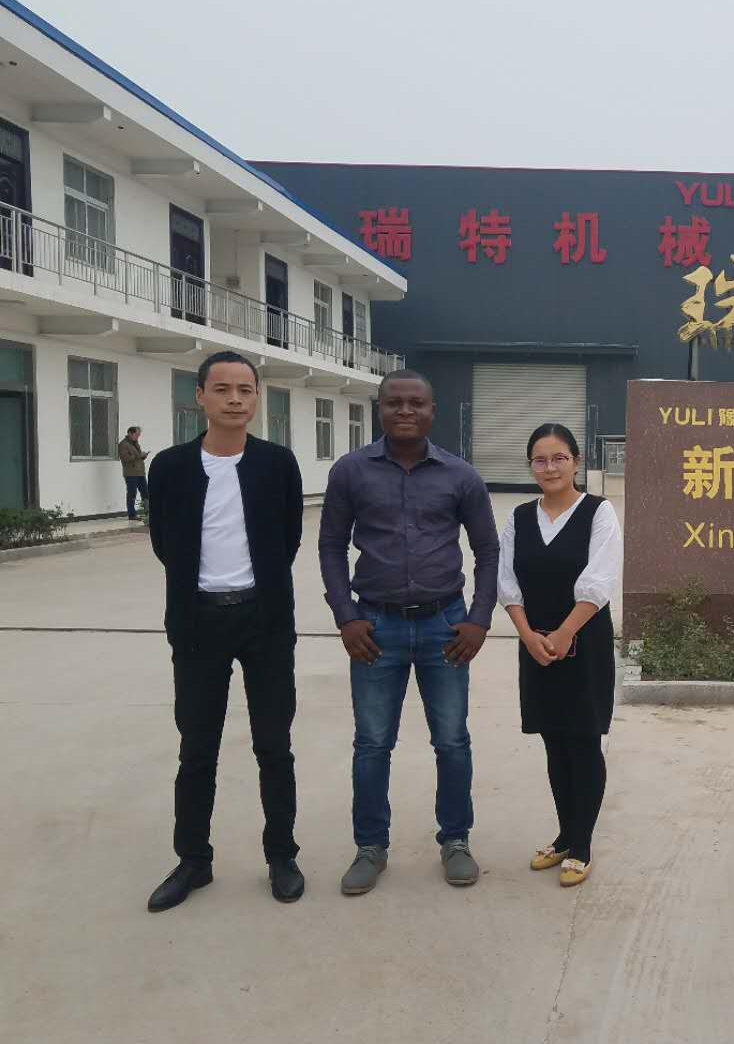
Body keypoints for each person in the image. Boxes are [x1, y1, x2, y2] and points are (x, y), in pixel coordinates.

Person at [319, 369, 499, 895]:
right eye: (393, 402)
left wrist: (478, 618)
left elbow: (487, 550)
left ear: (431, 410)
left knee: (452, 740)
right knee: (373, 743)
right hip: (375, 628)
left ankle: (456, 841)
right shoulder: (351, 472)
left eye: (415, 403)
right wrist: (346, 616)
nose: (404, 411)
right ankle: (370, 847)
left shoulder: (461, 476)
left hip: (446, 626)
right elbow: (331, 546)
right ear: (379, 409)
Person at [144, 351, 305, 912]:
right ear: (200, 397)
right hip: (197, 622)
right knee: (197, 748)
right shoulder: (170, 467)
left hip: (265, 621)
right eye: (222, 389)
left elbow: (287, 540)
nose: (235, 399)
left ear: (257, 397)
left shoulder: (277, 464)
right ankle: (193, 859)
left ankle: (282, 855)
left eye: (245, 390)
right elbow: (165, 542)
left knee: (274, 746)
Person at [499, 423, 621, 888]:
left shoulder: (598, 512)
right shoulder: (519, 517)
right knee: (554, 739)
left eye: (559, 458)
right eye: (540, 460)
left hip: (583, 644)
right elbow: (506, 581)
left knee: (583, 740)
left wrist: (567, 632)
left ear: (575, 461)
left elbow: (599, 579)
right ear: (531, 466)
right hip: (536, 645)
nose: (549, 468)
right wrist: (528, 636)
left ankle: (582, 844)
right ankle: (564, 835)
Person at [119, 426, 149, 521]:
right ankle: (131, 515)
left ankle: (148, 512)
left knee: (145, 493)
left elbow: (137, 457)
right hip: (131, 473)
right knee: (132, 494)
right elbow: (125, 458)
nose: (138, 437)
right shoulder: (123, 444)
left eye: (139, 435)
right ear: (130, 433)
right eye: (136, 435)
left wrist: (143, 456)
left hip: (140, 473)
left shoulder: (135, 443)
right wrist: (139, 455)